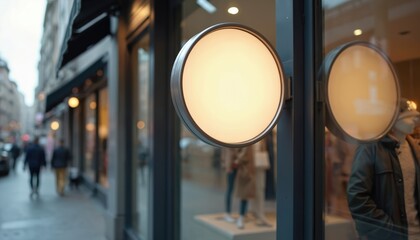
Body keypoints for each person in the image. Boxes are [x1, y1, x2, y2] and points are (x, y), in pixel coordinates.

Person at [347, 98, 420, 240]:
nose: (414, 121)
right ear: (392, 120)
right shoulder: (370, 148)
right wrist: (386, 229)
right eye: (408, 118)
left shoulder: (415, 149)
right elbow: (357, 196)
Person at [222, 146, 256, 229]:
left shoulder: (247, 136)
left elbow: (246, 150)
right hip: (231, 165)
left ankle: (241, 215)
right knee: (230, 189)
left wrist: (237, 161)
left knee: (244, 190)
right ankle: (228, 213)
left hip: (243, 166)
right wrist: (227, 163)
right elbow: (225, 150)